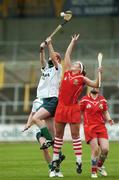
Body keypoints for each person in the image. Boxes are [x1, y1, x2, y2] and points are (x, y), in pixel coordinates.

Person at [49, 34, 102, 177]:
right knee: (58, 136)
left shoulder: (81, 78)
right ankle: (54, 162)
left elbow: (96, 84)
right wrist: (72, 42)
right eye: (74, 63)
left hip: (73, 108)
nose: (74, 63)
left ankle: (78, 161)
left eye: (77, 64)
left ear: (80, 69)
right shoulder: (66, 72)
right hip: (61, 107)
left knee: (75, 135)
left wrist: (98, 74)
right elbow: (67, 55)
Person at [22, 37, 64, 177]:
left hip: (53, 99)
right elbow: (42, 59)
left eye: (56, 56)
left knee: (36, 118)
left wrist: (50, 44)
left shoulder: (59, 69)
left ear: (58, 59)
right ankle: (55, 165)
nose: (53, 57)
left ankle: (53, 148)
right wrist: (41, 49)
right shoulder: (46, 68)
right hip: (45, 100)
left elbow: (52, 56)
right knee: (50, 134)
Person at [80, 87, 114, 178]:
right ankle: (93, 171)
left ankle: (99, 166)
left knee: (105, 150)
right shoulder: (84, 100)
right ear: (90, 88)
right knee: (95, 150)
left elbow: (105, 112)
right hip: (89, 127)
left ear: (99, 89)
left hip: (101, 127)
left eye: (96, 86)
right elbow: (80, 112)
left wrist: (109, 119)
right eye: (93, 86)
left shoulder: (102, 99)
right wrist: (84, 121)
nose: (94, 88)